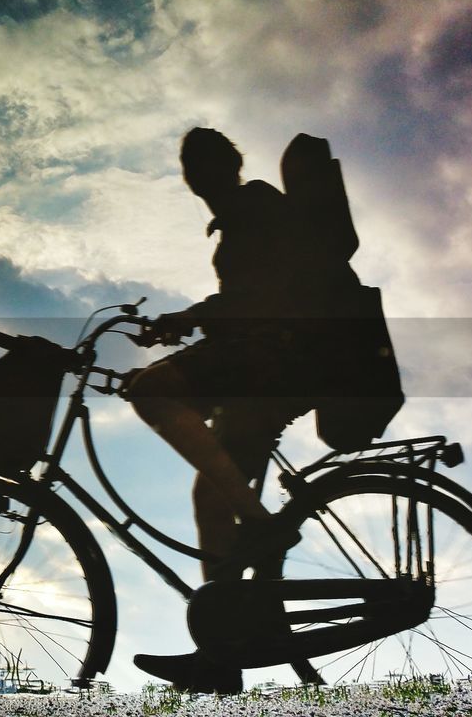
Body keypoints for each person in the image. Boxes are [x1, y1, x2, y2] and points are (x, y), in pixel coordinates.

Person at [125, 127, 346, 693]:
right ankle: (221, 655)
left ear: (230, 165)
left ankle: (262, 523)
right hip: (270, 365)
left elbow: (260, 298)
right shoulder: (243, 214)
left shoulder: (256, 206)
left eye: (205, 161)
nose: (197, 173)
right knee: (209, 495)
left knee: (151, 392)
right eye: (190, 163)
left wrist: (189, 318)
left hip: (271, 360)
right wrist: (189, 321)